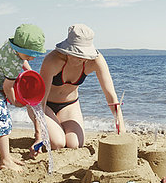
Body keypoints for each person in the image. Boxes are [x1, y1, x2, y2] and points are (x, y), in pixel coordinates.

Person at [29, 24, 124, 156]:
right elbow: (41, 100)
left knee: (74, 144)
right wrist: (39, 135)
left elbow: (111, 96)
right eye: (76, 53)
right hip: (44, 106)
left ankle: (57, 126)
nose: (81, 58)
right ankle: (54, 129)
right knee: (58, 143)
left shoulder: (96, 61)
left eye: (84, 54)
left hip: (69, 105)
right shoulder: (52, 60)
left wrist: (121, 132)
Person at [0, 24, 46, 171]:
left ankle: (6, 156)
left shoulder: (11, 47)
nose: (32, 58)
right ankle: (4, 160)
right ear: (20, 50)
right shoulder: (13, 63)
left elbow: (22, 61)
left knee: (5, 122)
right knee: (1, 125)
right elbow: (7, 87)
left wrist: (30, 72)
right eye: (28, 55)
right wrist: (15, 102)